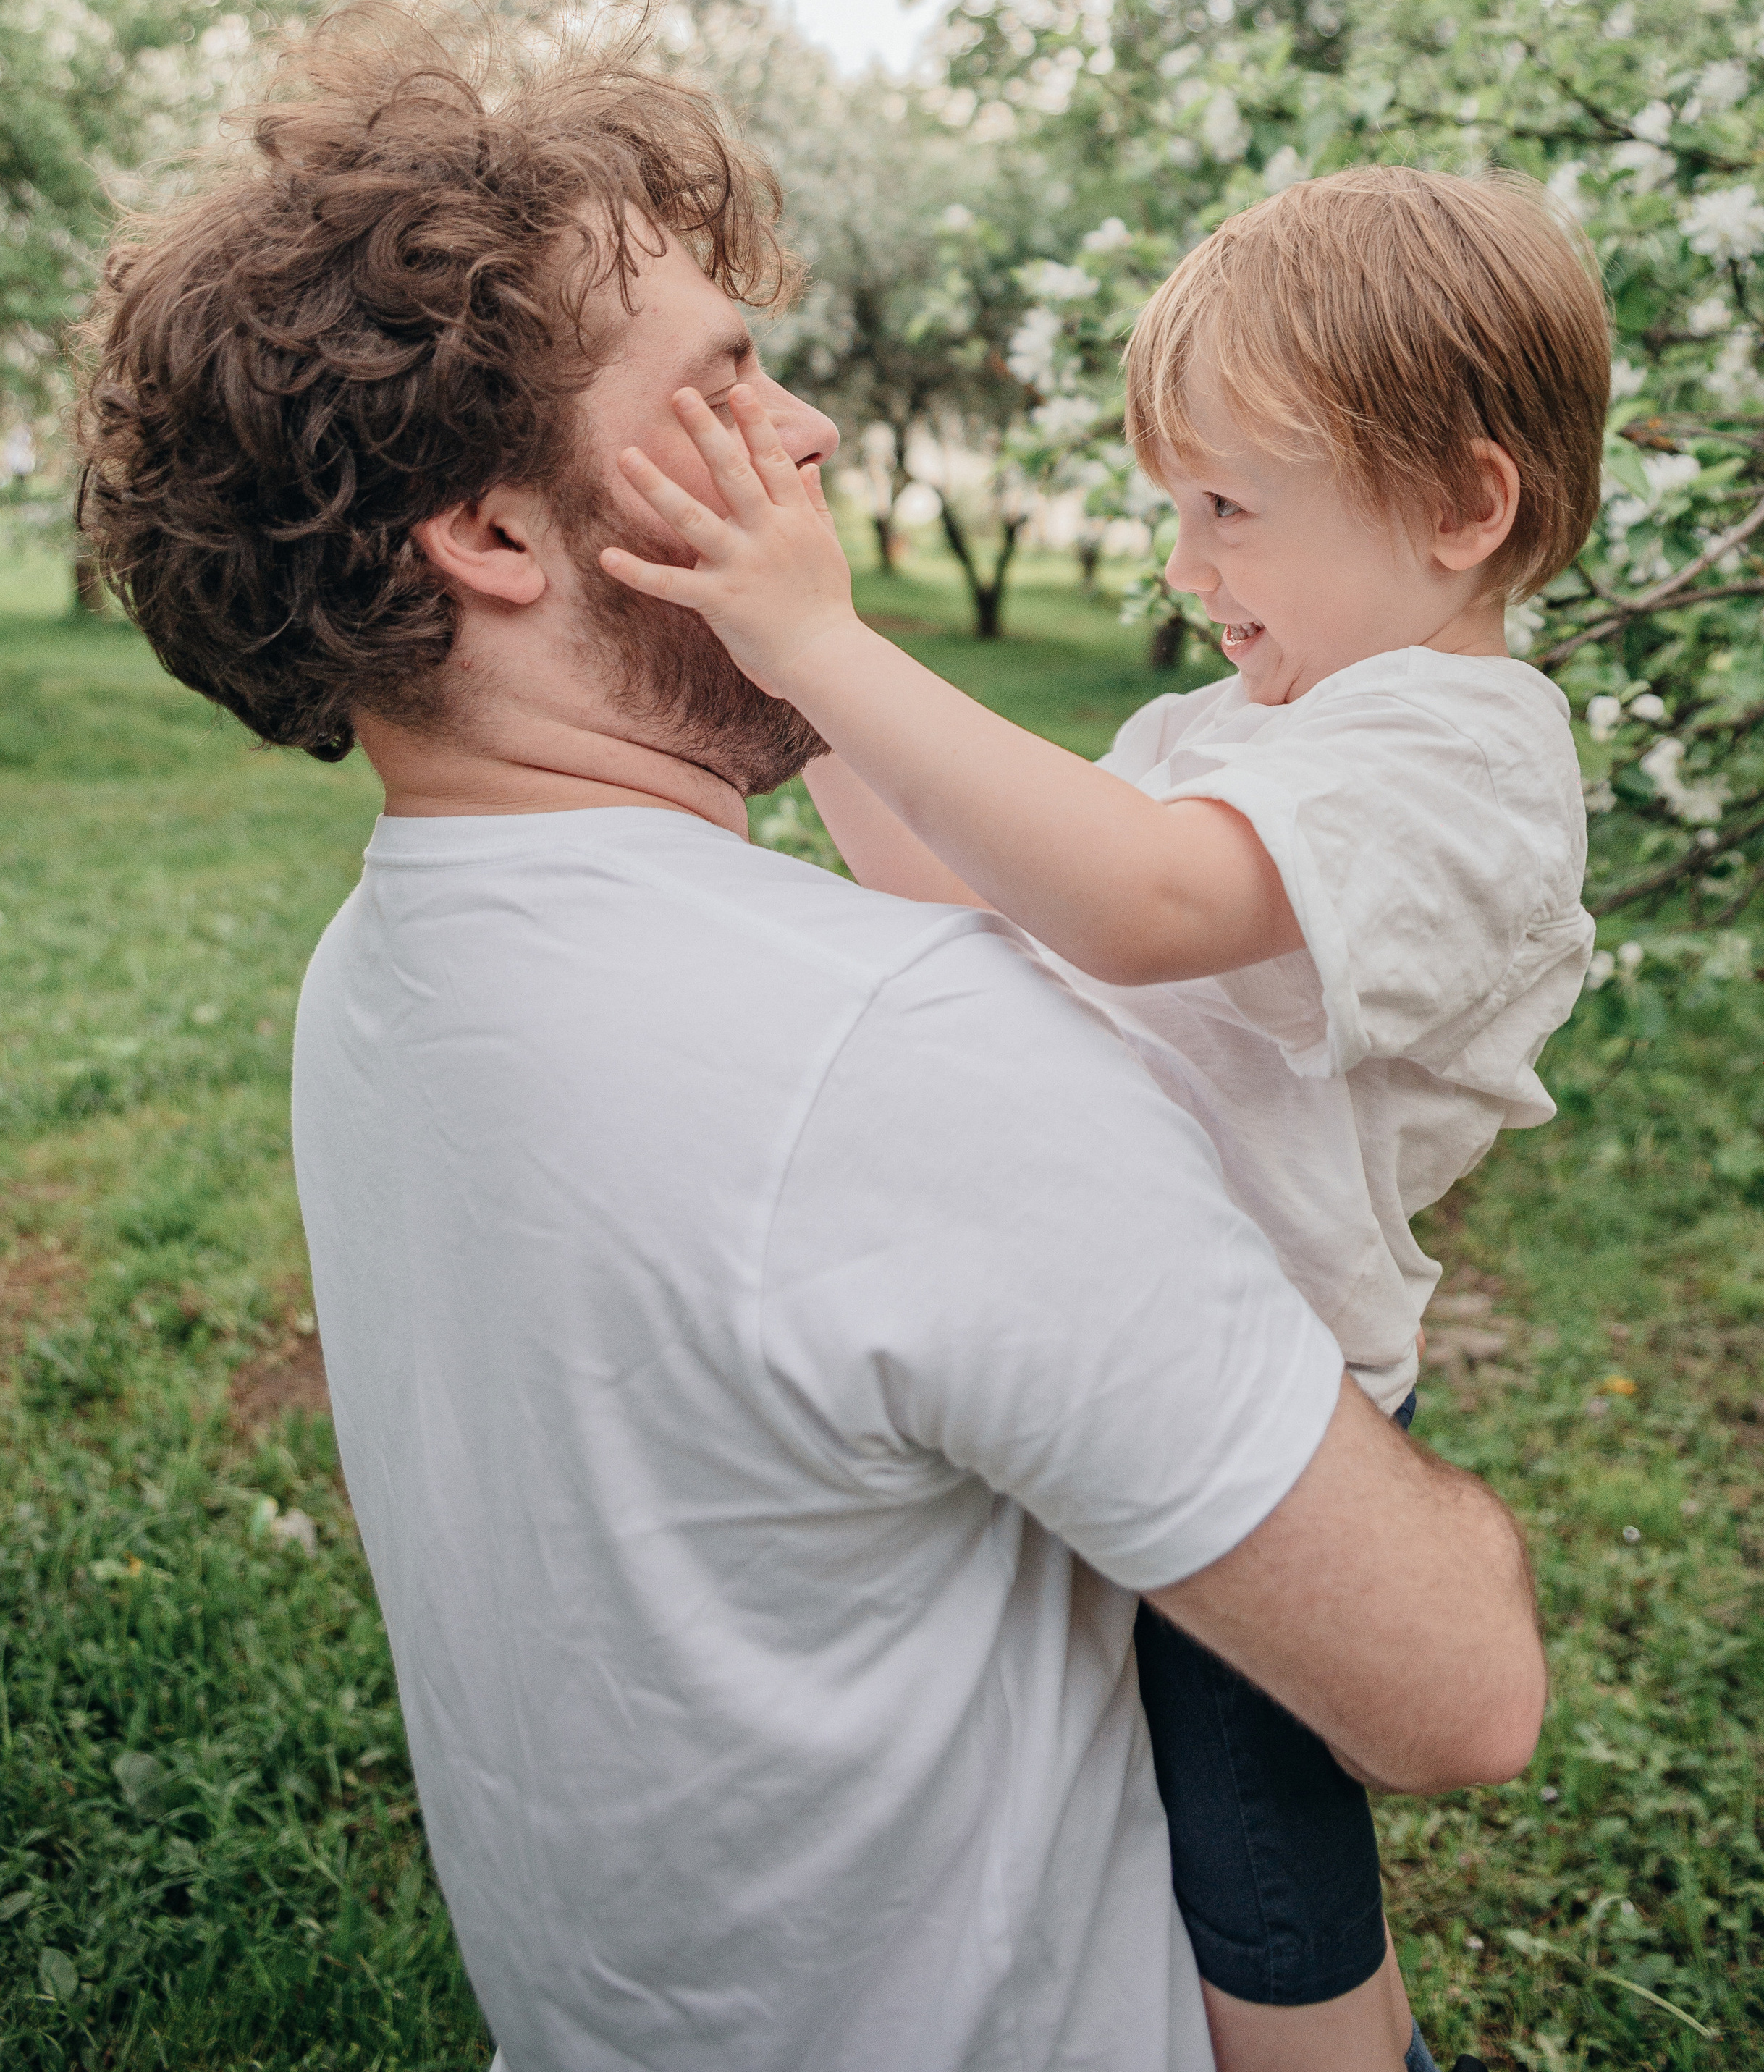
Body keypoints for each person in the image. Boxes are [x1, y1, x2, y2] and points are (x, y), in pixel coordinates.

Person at [77, 2, 1545, 2072]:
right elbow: (1459, 1688)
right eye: (727, 380)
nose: (815, 435)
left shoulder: (385, 972)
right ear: (495, 537)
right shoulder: (892, 1055)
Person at [597, 166, 1609, 2072]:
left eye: (1229, 506)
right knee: (1147, 1833)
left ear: (1469, 505)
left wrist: (830, 645)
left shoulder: (1465, 751)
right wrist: (794, 694)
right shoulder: (1249, 734)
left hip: (1267, 1387)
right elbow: (979, 884)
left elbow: (1135, 907)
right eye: (1174, 504)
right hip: (1126, 1324)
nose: (1181, 559)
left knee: (1262, 1893)